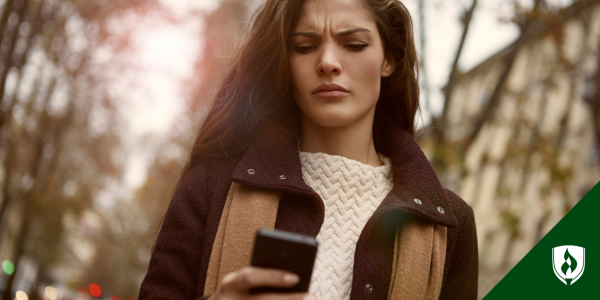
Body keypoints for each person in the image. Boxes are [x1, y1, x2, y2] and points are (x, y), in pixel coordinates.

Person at [139, 0, 478, 299]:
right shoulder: (211, 184)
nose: (328, 62)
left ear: (388, 59)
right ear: (285, 62)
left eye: (354, 44)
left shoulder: (451, 225)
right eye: (304, 46)